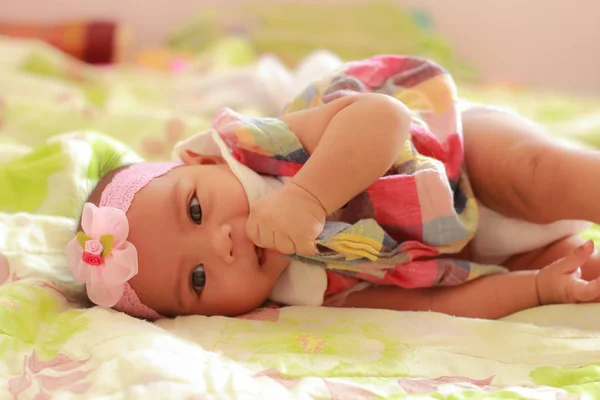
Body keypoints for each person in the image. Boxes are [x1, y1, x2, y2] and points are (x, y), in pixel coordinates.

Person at [67, 55, 600, 321]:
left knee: (536, 175)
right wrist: (537, 288)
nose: (221, 243)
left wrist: (307, 196)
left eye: (197, 209)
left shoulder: (266, 150)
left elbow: (382, 118)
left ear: (206, 159)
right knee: (573, 268)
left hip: (456, 156)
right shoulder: (304, 291)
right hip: (475, 248)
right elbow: (436, 301)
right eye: (200, 277)